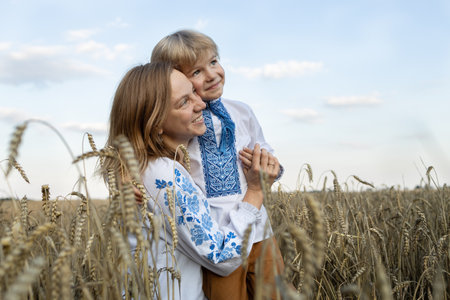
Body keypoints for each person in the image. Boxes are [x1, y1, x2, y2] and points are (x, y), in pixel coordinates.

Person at [103, 61, 280, 299]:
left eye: (193, 92)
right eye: (184, 102)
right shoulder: (164, 175)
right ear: (155, 124)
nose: (201, 104)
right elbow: (222, 256)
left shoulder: (147, 168)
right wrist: (256, 191)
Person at [151, 30, 284, 299]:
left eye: (213, 62)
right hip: (217, 240)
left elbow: (264, 148)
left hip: (260, 230)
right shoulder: (180, 124)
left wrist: (272, 168)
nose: (212, 74)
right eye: (196, 72)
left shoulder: (242, 112)